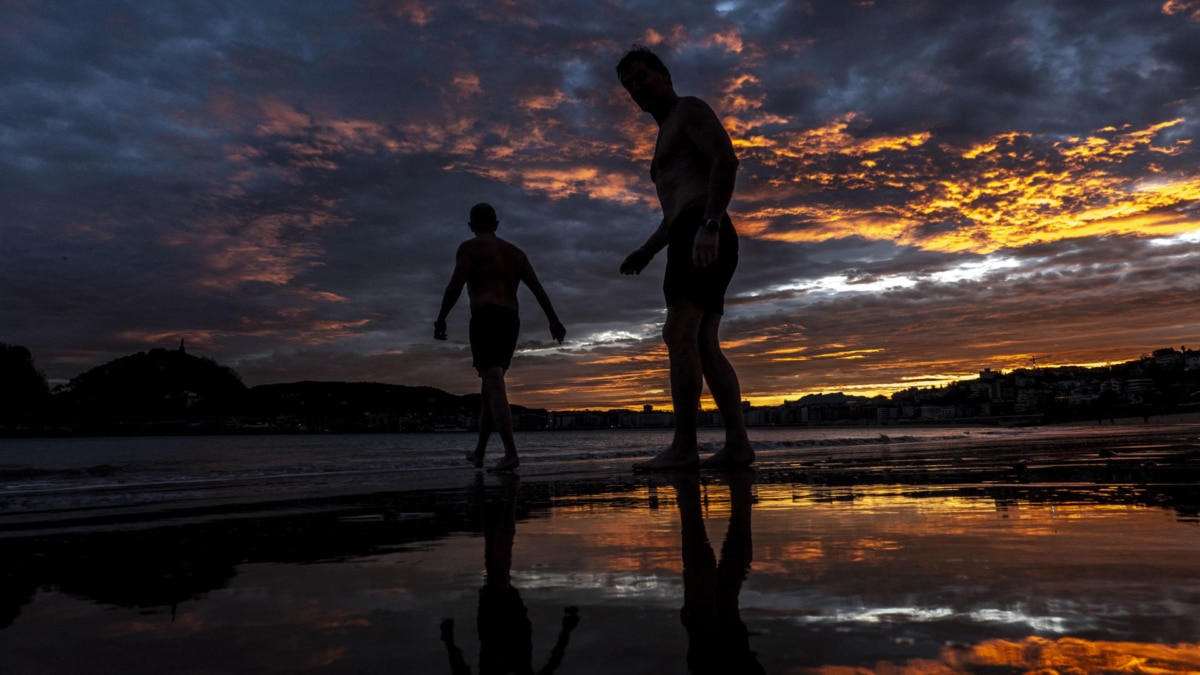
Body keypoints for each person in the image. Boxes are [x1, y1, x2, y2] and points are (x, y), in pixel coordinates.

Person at [616, 45, 754, 471]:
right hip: (688, 231)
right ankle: (736, 445)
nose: (636, 88)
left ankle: (684, 447)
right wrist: (646, 249)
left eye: (641, 77)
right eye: (629, 85)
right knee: (703, 342)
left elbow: (725, 162)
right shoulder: (662, 139)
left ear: (665, 76)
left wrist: (710, 224)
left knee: (679, 335)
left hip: (703, 230)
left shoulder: (689, 111)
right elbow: (672, 214)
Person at [435, 203, 566, 472]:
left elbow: (456, 284)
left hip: (485, 317)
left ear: (471, 226)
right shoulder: (515, 253)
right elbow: (537, 288)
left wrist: (441, 317)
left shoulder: (469, 248)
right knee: (489, 388)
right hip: (510, 320)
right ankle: (480, 453)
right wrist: (553, 319)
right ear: (497, 224)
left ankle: (510, 453)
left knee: (493, 383)